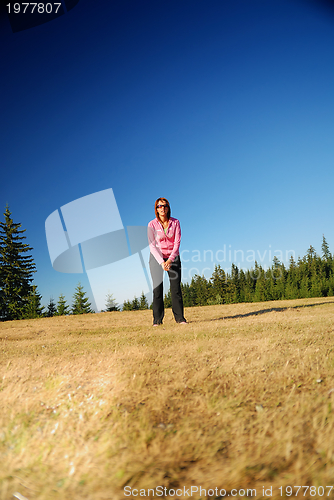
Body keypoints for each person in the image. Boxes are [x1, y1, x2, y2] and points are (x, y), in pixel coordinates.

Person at [148, 198, 187, 326]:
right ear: (156, 209)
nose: (162, 208)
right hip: (156, 258)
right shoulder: (151, 225)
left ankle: (180, 319)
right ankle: (157, 321)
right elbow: (152, 246)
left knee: (175, 288)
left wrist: (170, 260)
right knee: (157, 289)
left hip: (173, 257)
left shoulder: (175, 222)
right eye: (159, 206)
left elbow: (177, 243)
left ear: (168, 208)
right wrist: (161, 262)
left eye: (165, 206)